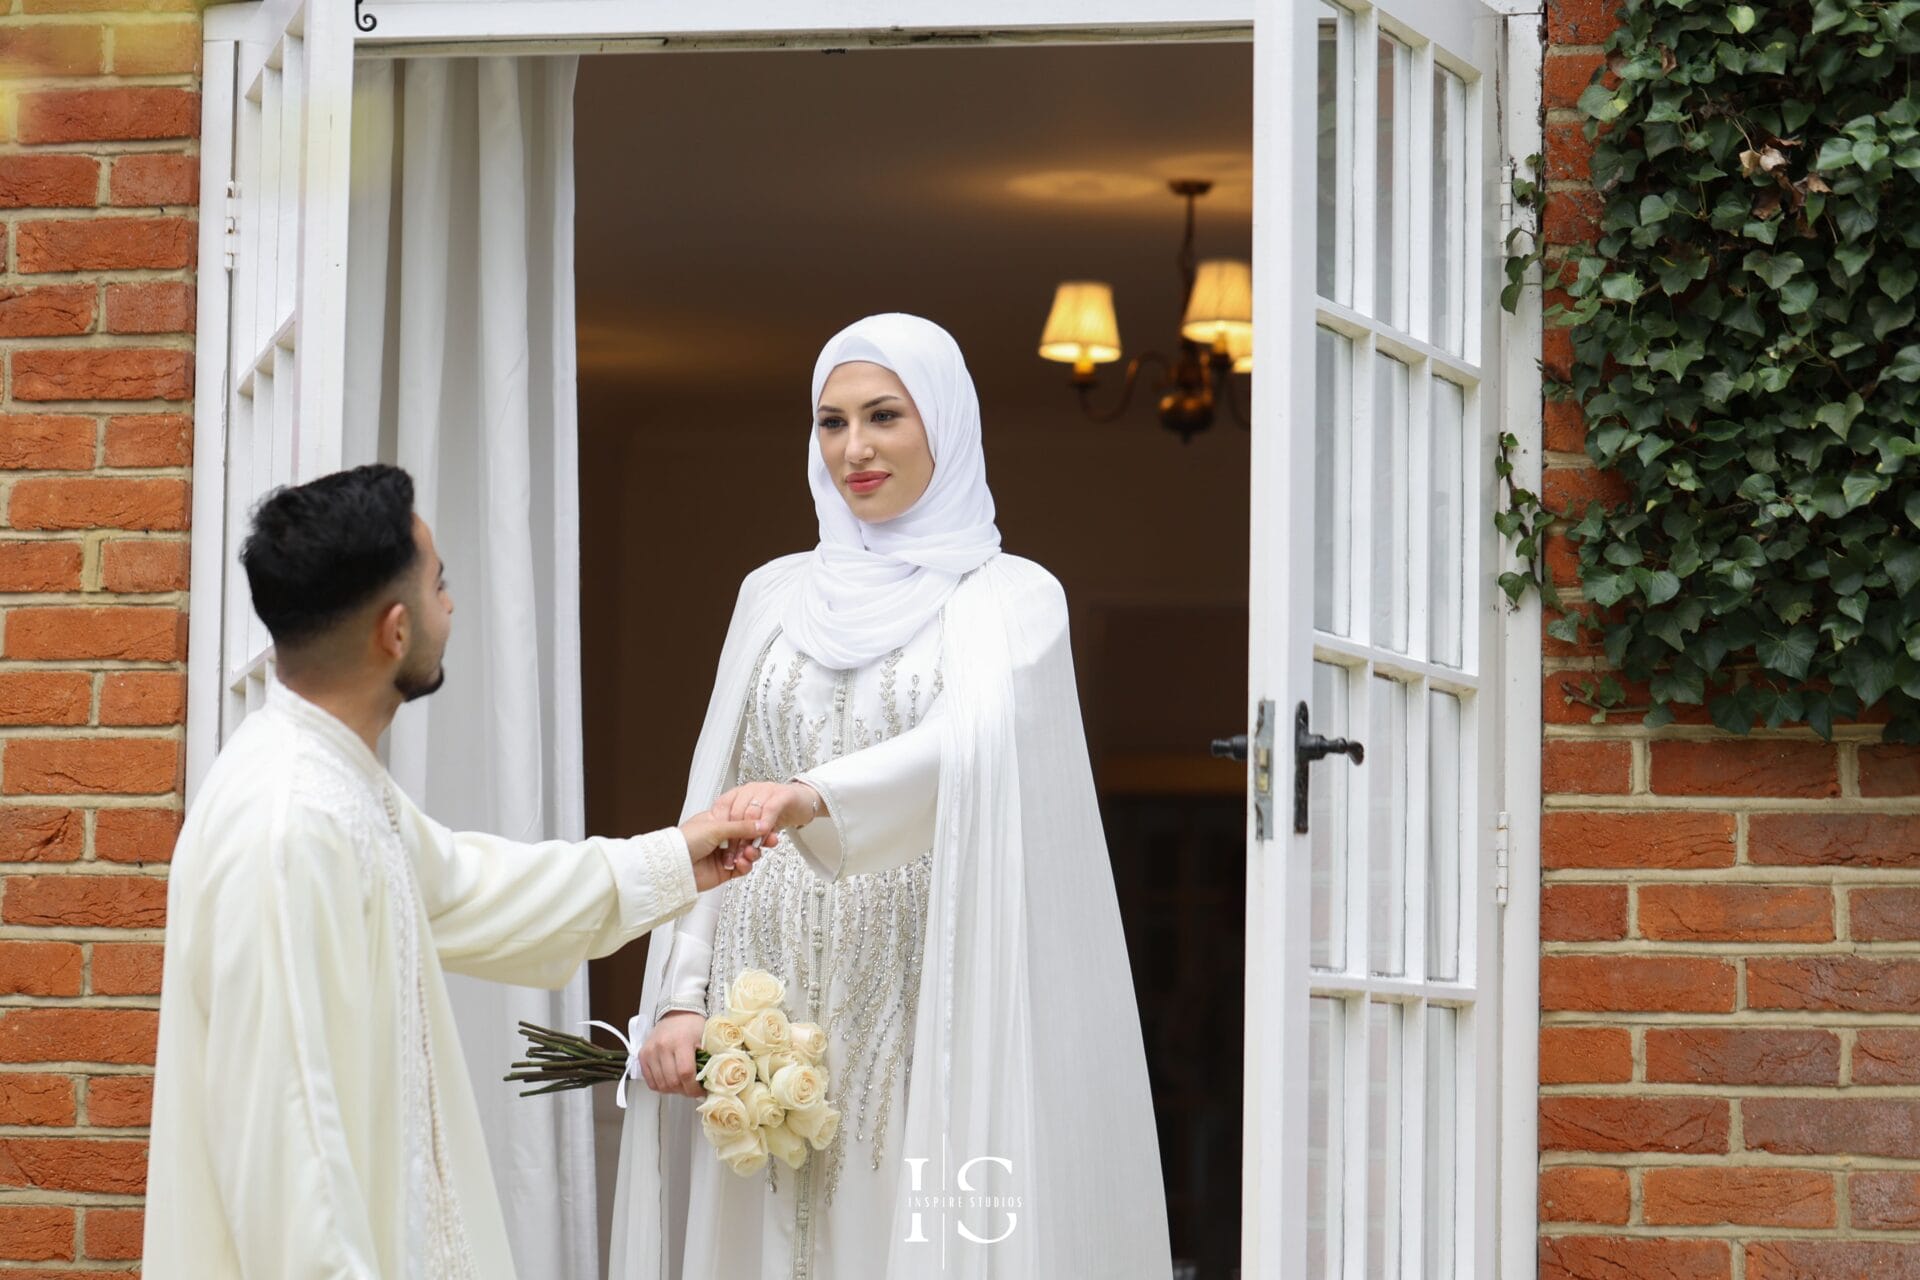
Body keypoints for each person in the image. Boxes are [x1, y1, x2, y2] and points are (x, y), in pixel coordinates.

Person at [610, 314, 1171, 1278]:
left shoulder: (1012, 598)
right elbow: (711, 800)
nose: (854, 449)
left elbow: (979, 745)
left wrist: (814, 796)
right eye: (831, 423)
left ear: (943, 425)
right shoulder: (773, 595)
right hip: (762, 993)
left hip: (924, 990)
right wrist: (679, 999)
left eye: (884, 416)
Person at [142, 465, 770, 1278]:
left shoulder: (335, 782)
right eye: (441, 587)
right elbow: (285, 1146)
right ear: (395, 631)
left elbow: (470, 888)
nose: (453, 606)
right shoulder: (286, 823)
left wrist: (675, 857)